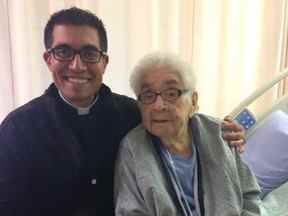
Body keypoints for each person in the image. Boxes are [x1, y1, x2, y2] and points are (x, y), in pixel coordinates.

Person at [0, 7, 245, 216]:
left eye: (89, 53)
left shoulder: (132, 113)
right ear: (48, 59)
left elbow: (181, 120)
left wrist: (228, 132)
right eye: (63, 52)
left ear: (104, 62)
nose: (77, 65)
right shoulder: (17, 130)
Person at [114, 52, 261, 216]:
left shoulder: (220, 133)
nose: (158, 106)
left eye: (171, 93)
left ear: (193, 101)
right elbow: (129, 211)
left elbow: (250, 197)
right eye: (148, 95)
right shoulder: (132, 148)